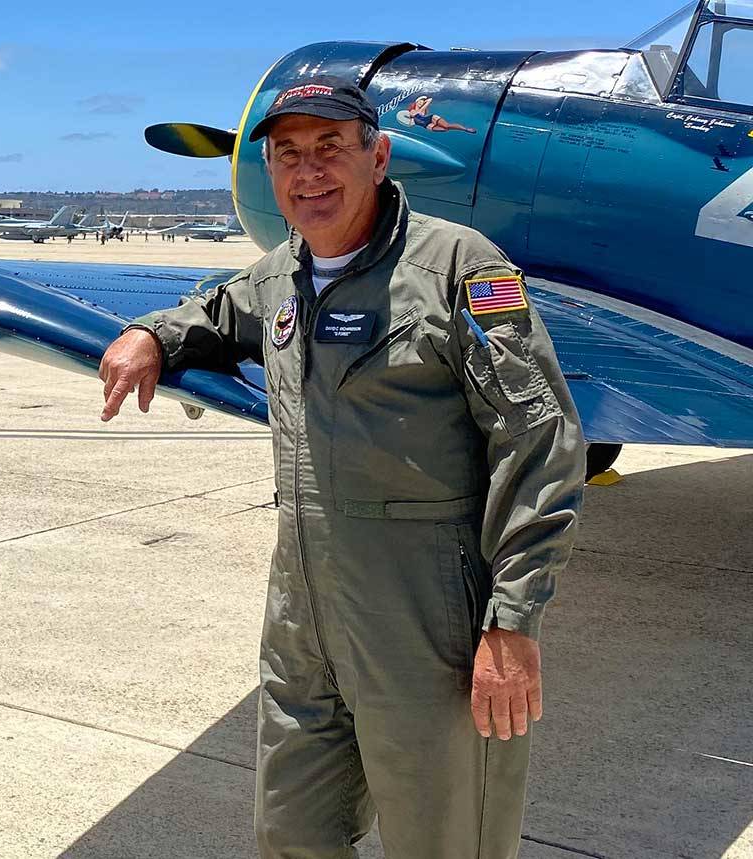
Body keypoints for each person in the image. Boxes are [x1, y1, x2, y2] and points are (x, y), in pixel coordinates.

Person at [99, 76, 584, 859]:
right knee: (292, 833)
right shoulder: (279, 275)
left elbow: (540, 443)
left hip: (429, 623)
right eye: (288, 154)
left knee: (447, 842)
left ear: (379, 156)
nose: (308, 171)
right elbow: (216, 312)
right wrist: (151, 333)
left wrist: (512, 620)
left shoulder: (459, 268)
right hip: (302, 619)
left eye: (330, 148)